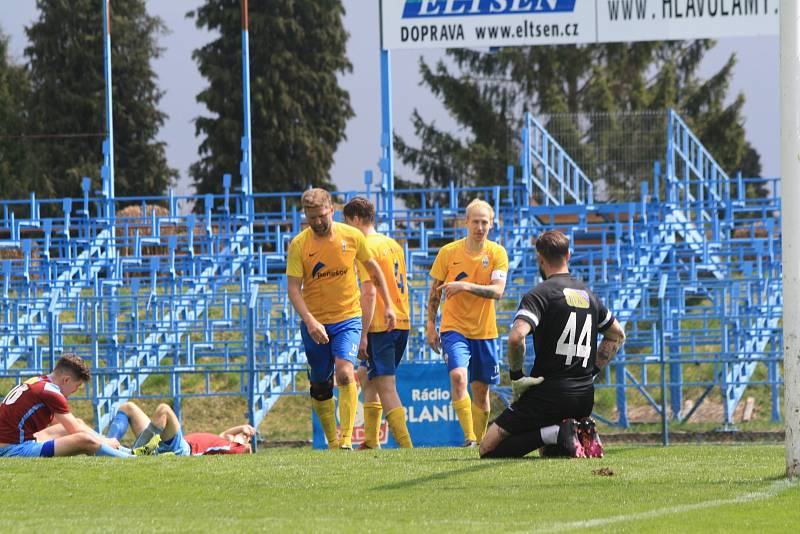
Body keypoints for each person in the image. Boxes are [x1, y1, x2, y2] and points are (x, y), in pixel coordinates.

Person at [479, 230, 626, 459]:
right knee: (550, 454)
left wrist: (517, 376)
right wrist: (593, 370)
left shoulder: (540, 294)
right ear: (568, 255)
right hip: (584, 397)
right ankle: (569, 433)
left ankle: (556, 432)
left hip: (549, 394)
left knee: (488, 448)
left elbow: (517, 337)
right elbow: (617, 335)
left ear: (540, 258)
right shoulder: (588, 295)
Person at [287, 188, 397, 450]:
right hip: (315, 322)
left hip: (348, 317)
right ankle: (333, 443)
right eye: (311, 217)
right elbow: (293, 288)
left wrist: (389, 305)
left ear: (332, 211)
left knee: (346, 372)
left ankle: (346, 440)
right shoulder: (299, 245)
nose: (317, 222)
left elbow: (374, 271)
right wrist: (310, 321)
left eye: (322, 216)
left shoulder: (352, 236)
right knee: (320, 383)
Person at [426, 199, 509, 447]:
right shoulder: (448, 253)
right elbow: (434, 292)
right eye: (475, 221)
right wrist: (430, 324)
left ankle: (482, 442)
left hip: (484, 332)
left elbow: (498, 291)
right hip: (454, 328)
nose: (480, 227)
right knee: (459, 378)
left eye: (485, 222)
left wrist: (464, 285)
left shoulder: (497, 253)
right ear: (466, 223)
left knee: (481, 393)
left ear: (491, 225)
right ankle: (470, 438)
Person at [343, 197, 413, 449]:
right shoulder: (393, 244)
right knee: (367, 377)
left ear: (357, 219)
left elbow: (370, 292)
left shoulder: (365, 247)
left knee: (385, 384)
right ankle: (371, 441)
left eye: (348, 223)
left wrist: (362, 334)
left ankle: (407, 447)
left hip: (380, 325)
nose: (347, 229)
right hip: (401, 320)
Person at [0, 353, 132, 458]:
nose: (75, 391)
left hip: (9, 443)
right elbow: (75, 431)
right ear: (66, 380)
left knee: (78, 423)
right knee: (84, 439)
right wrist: (106, 442)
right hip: (12, 450)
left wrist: (103, 440)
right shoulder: (52, 392)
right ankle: (130, 460)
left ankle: (128, 451)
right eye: (77, 386)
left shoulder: (37, 381)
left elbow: (61, 423)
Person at [108, 401, 255, 456]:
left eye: (244, 437)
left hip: (181, 448)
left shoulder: (234, 447)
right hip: (158, 443)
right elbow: (224, 434)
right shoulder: (223, 441)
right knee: (128, 407)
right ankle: (110, 443)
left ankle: (136, 454)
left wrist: (244, 438)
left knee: (164, 410)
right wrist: (242, 427)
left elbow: (246, 448)